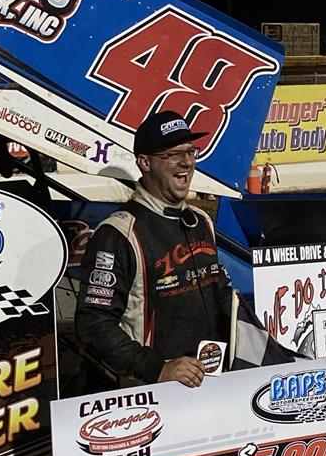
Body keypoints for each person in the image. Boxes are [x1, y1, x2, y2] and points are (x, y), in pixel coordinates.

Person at [75, 111, 233, 388]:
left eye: (191, 152)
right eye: (173, 154)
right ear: (145, 162)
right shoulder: (118, 233)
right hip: (150, 387)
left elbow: (219, 292)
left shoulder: (201, 221)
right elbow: (94, 323)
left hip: (209, 380)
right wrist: (156, 368)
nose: (187, 162)